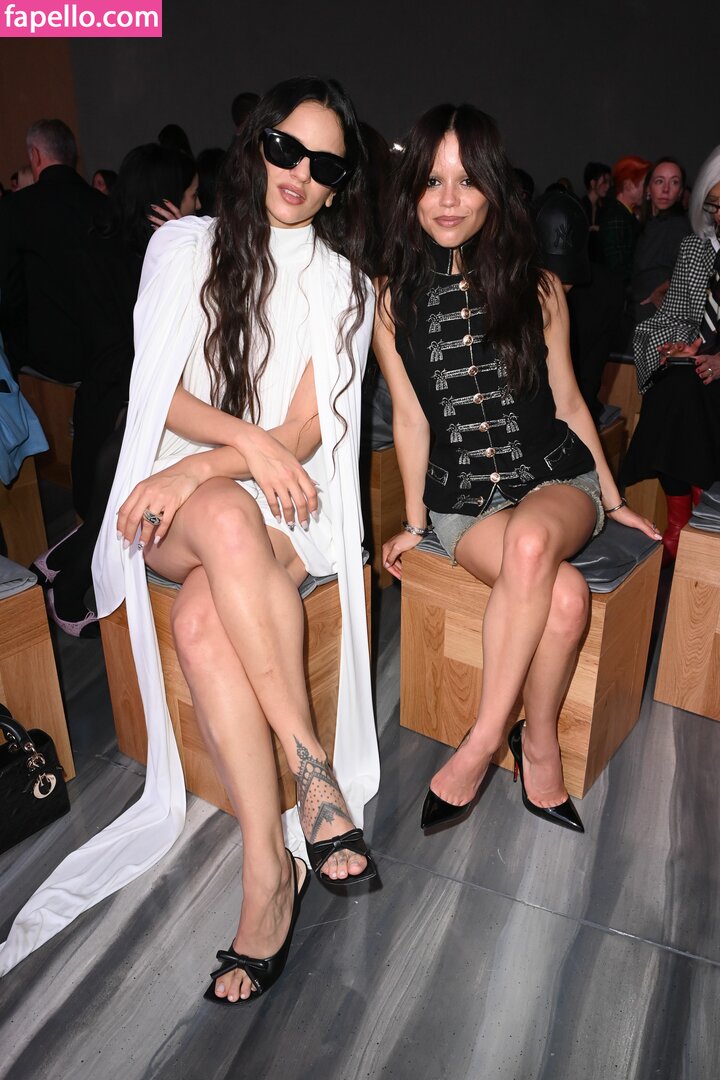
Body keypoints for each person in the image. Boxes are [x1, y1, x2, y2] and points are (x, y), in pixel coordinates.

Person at [0, 78, 380, 994]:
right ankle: (313, 773)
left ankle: (266, 868)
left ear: (339, 187)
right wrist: (218, 457)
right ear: (257, 145)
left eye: (325, 166)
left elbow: (304, 434)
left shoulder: (344, 284)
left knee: (207, 612)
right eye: (285, 148)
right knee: (219, 513)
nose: (299, 173)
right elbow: (156, 391)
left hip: (282, 503)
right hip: (174, 500)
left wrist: (201, 469)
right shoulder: (183, 247)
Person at [374, 104, 659, 837]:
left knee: (534, 543)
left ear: (494, 191)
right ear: (411, 191)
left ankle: (481, 741)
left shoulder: (538, 288)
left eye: (466, 181)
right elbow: (410, 418)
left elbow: (569, 402)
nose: (447, 200)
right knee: (564, 598)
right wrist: (414, 524)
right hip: (465, 503)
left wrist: (613, 499)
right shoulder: (390, 299)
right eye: (431, 181)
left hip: (556, 479)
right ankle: (537, 744)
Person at [32, 143, 204, 629]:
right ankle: (67, 589)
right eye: (192, 195)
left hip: (106, 404)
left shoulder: (103, 243)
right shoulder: (160, 257)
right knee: (123, 509)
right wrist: (183, 245)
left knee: (118, 505)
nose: (197, 205)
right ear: (165, 201)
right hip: (129, 408)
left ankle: (58, 563)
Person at [621, 145, 720, 564]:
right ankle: (684, 512)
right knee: (673, 386)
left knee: (686, 395)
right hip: (695, 368)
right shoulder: (696, 249)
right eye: (715, 205)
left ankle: (689, 514)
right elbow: (674, 314)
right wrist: (678, 344)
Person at [631, 156, 690, 325]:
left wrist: (661, 290)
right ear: (648, 189)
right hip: (638, 314)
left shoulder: (679, 226)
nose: (666, 189)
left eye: (674, 182)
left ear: (680, 192)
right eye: (659, 181)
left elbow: (695, 269)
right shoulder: (648, 225)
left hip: (659, 318)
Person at [597, 155, 651, 283]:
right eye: (645, 185)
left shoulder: (623, 214)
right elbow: (618, 268)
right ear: (628, 185)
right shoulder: (616, 217)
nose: (648, 191)